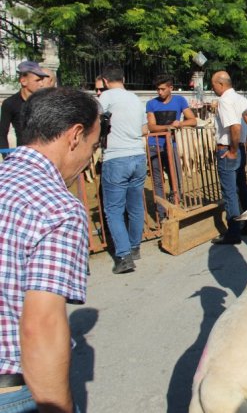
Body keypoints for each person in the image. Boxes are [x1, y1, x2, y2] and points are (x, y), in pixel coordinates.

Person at [0, 87, 100, 411]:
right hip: (14, 391)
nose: (89, 160)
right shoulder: (57, 209)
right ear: (75, 136)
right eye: (93, 146)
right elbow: (41, 327)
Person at [99, 64, 148, 274]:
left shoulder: (105, 98)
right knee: (135, 205)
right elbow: (145, 129)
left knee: (114, 210)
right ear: (124, 79)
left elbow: (95, 124)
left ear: (105, 81)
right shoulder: (136, 99)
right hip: (138, 155)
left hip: (116, 157)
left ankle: (123, 256)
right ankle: (135, 247)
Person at [146, 73, 197, 219]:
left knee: (176, 177)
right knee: (157, 180)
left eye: (162, 89)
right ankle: (161, 214)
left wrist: (180, 123)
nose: (159, 92)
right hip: (154, 145)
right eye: (157, 89)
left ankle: (176, 205)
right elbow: (151, 126)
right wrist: (169, 127)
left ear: (170, 88)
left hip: (171, 145)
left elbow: (192, 120)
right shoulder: (151, 104)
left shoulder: (180, 100)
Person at [210, 71, 247, 245]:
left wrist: (233, 150)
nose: (212, 89)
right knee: (242, 187)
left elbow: (235, 126)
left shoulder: (225, 101)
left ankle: (233, 231)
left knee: (230, 191)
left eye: (213, 85)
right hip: (239, 147)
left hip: (228, 149)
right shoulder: (242, 100)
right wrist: (241, 145)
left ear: (221, 84)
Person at [0, 61, 48, 152]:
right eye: (37, 80)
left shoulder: (46, 102)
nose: (42, 84)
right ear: (23, 81)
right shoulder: (10, 104)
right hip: (23, 155)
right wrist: (6, 155)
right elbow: (2, 134)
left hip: (47, 156)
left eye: (42, 80)